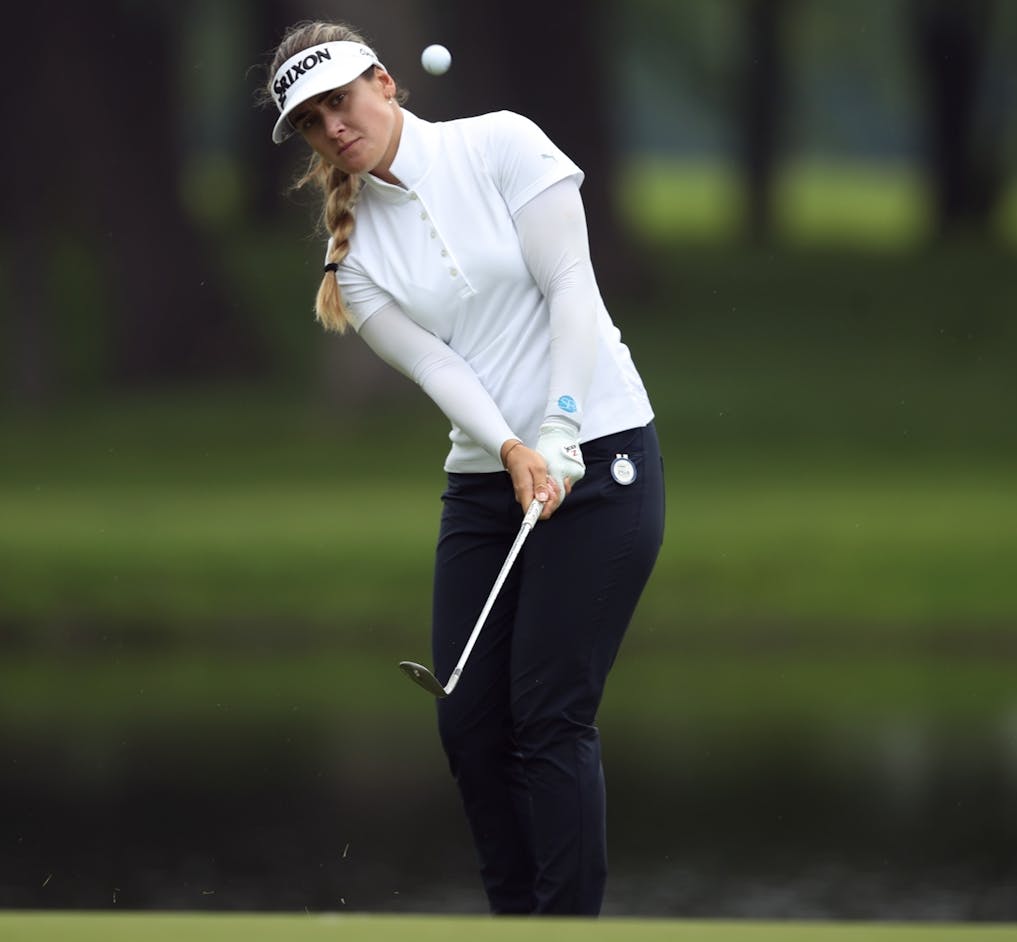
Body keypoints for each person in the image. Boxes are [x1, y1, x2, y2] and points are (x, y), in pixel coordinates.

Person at [260, 20, 665, 916]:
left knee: (550, 715)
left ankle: (565, 930)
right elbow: (442, 368)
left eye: (340, 101)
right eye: (313, 122)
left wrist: (559, 423)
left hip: (604, 461)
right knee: (470, 725)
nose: (333, 127)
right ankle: (515, 923)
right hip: (489, 481)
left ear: (386, 83)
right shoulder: (353, 258)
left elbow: (572, 284)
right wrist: (515, 447)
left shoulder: (504, 144)